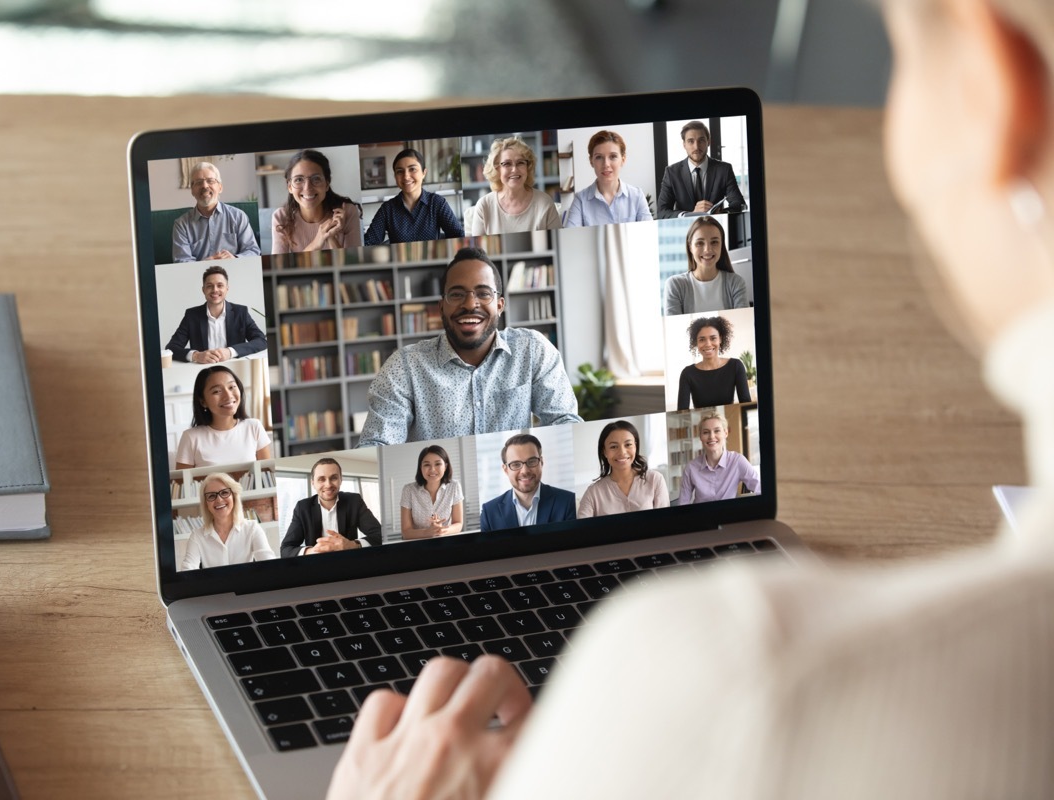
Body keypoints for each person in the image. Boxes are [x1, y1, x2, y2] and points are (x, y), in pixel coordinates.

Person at [329, 1, 1054, 797]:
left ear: (992, 89)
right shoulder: (409, 369)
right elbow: (386, 459)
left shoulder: (732, 677)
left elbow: (566, 427)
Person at [358, 247, 581, 446]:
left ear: (500, 305)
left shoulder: (532, 350)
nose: (470, 304)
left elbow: (564, 422)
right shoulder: (405, 366)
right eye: (456, 294)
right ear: (441, 307)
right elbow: (378, 443)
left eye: (483, 293)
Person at [280, 458, 383, 557]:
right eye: (321, 479)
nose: (328, 485)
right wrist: (313, 551)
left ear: (341, 480)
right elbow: (285, 549)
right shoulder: (302, 508)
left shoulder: (354, 501)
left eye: (333, 478)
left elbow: (379, 534)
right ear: (313, 483)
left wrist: (351, 545)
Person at [164, 265, 267, 364]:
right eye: (209, 286)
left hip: (235, 367)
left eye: (220, 285)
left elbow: (261, 341)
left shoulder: (241, 312)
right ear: (203, 290)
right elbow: (171, 348)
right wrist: (196, 355)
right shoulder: (191, 315)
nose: (215, 290)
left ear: (227, 288)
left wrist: (230, 352)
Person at [175, 365, 272, 468]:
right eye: (216, 391)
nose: (228, 395)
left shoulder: (254, 427)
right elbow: (181, 483)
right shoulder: (190, 437)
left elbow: (267, 475)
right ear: (203, 401)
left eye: (231, 387)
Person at [363, 148, 464, 245]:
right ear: (395, 176)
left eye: (412, 169)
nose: (406, 176)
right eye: (400, 171)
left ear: (424, 173)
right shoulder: (387, 209)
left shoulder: (437, 203)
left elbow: (458, 236)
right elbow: (369, 242)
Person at [479, 433, 577, 532]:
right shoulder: (489, 512)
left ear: (541, 462)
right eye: (516, 464)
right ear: (506, 470)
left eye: (532, 461)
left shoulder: (568, 502)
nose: (525, 471)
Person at [271, 149, 362, 253]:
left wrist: (330, 236)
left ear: (327, 184)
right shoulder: (281, 217)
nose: (307, 188)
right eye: (299, 180)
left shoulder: (347, 211)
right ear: (290, 187)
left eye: (316, 179)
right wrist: (317, 242)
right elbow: (280, 268)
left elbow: (352, 265)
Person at [179, 472, 275, 569]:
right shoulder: (197, 536)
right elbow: (188, 570)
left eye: (224, 492)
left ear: (234, 497)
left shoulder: (252, 528)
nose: (219, 500)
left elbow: (269, 566)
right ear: (206, 504)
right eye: (211, 496)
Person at [468, 137, 561, 235]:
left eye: (520, 163)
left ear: (528, 167)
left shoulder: (545, 203)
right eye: (507, 164)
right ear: (497, 169)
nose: (514, 170)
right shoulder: (484, 206)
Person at [170, 161, 260, 262]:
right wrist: (205, 263)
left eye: (210, 181)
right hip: (199, 275)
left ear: (220, 187)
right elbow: (181, 261)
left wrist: (234, 258)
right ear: (192, 190)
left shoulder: (238, 216)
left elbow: (253, 251)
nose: (204, 186)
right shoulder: (181, 224)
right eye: (199, 182)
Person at [576, 420, 669, 517]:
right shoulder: (593, 493)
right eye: (613, 446)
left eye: (628, 444)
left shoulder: (655, 479)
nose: (622, 452)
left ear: (635, 447)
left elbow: (665, 522)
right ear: (604, 451)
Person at [561, 130, 653, 227]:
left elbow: (648, 234)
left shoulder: (637, 196)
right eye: (599, 157)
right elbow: (572, 238)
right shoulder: (580, 200)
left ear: (623, 159)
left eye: (613, 156)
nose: (606, 164)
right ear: (591, 161)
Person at [656, 120, 746, 219]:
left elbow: (739, 204)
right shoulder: (671, 172)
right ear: (684, 144)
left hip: (716, 226)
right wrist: (689, 214)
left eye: (701, 140)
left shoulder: (724, 170)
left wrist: (721, 213)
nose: (696, 146)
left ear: (708, 142)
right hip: (685, 229)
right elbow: (662, 212)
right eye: (691, 141)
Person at [663, 215, 749, 315]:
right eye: (700, 243)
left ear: (721, 245)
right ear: (690, 247)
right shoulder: (675, 285)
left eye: (714, 242)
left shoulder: (736, 283)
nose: (707, 250)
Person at [675, 410, 760, 505]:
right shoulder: (691, 468)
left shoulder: (737, 461)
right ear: (700, 437)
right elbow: (683, 504)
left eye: (717, 431)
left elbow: (760, 488)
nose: (711, 436)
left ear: (725, 433)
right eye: (706, 432)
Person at [676, 315, 751, 410]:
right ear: (696, 342)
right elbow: (682, 411)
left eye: (713, 338)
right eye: (702, 339)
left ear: (720, 339)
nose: (708, 344)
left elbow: (746, 406)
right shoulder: (687, 374)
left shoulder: (735, 366)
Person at [399, 445, 464, 539]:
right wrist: (427, 532)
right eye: (427, 465)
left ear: (445, 466)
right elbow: (406, 532)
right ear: (420, 468)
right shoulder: (408, 490)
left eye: (437, 464)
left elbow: (458, 524)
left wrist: (441, 531)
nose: (432, 469)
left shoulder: (454, 486)